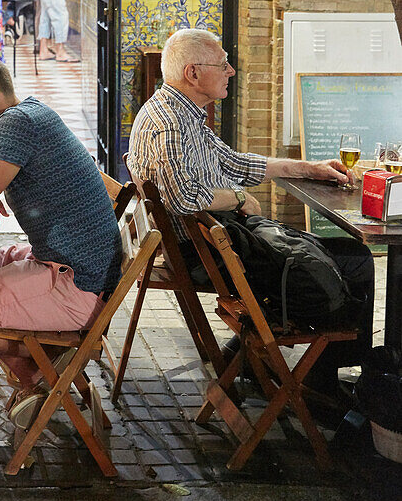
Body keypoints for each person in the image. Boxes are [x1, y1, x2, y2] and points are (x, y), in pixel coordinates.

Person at [127, 28, 375, 399]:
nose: (231, 71)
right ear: (193, 73)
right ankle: (325, 380)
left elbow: (235, 162)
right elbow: (183, 197)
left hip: (215, 243)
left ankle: (256, 359)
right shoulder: (170, 124)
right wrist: (239, 200)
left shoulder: (179, 111)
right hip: (209, 254)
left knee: (347, 256)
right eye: (223, 64)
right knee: (354, 260)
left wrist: (309, 168)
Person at [0, 48, 123, 426]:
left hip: (77, 284)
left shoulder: (18, 125)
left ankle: (36, 371)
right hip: (66, 260)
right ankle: (42, 364)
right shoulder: (26, 114)